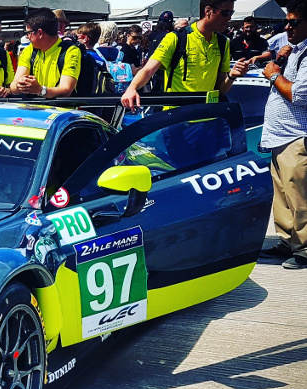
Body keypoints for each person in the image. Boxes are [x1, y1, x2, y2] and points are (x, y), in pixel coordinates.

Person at [121, 0, 249, 109]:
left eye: (231, 13)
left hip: (208, 119)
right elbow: (149, 70)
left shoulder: (223, 43)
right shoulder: (176, 38)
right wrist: (132, 87)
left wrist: (231, 77)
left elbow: (220, 90)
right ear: (208, 11)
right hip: (177, 120)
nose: (229, 18)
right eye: (226, 13)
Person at [259, 0, 307, 269]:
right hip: (280, 136)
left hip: (297, 136)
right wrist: (280, 63)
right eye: (287, 22)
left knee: (300, 197)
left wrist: (275, 74)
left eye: (294, 22)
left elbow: (300, 96)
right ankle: (288, 241)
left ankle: (305, 247)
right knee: (283, 196)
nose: (288, 27)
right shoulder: (294, 52)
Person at [12, 8, 80, 99]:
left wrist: (40, 90)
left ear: (40, 33)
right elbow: (13, 87)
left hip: (62, 110)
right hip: (34, 110)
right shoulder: (28, 51)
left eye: (28, 33)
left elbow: (66, 90)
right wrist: (20, 85)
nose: (27, 37)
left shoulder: (71, 51)